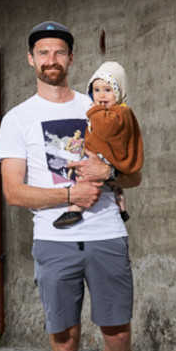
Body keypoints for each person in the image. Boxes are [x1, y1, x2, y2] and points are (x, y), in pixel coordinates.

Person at [0, 20, 143, 351]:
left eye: (59, 52)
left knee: (118, 334)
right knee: (65, 341)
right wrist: (68, 195)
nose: (51, 60)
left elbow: (134, 174)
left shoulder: (100, 105)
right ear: (31, 60)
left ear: (72, 59)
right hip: (55, 240)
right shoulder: (17, 119)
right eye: (43, 52)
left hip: (106, 234)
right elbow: (13, 192)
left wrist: (108, 173)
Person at [53, 61, 144, 228]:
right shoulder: (114, 111)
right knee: (113, 187)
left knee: (88, 178)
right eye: (96, 90)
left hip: (106, 156)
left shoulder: (119, 111)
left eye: (108, 90)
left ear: (119, 91)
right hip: (107, 155)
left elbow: (106, 128)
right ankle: (122, 209)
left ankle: (75, 209)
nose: (101, 96)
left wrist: (94, 111)